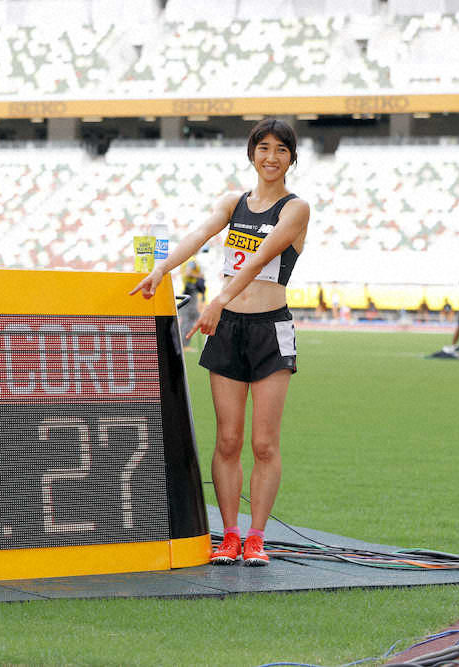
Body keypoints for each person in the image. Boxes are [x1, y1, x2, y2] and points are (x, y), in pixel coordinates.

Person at [130, 118, 310, 567]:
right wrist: (161, 268)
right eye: (263, 147)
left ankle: (256, 536)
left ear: (291, 157)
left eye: (281, 150)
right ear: (251, 153)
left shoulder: (295, 209)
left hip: (270, 329)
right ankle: (229, 536)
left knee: (264, 443)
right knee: (227, 440)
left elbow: (261, 258)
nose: (271, 157)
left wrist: (219, 299)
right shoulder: (233, 203)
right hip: (228, 330)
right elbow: (198, 234)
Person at [178, 256, 207, 350]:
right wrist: (200, 276)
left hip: (186, 291)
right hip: (190, 292)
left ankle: (182, 343)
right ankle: (184, 344)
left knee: (189, 318)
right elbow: (188, 272)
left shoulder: (186, 260)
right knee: (189, 319)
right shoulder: (192, 261)